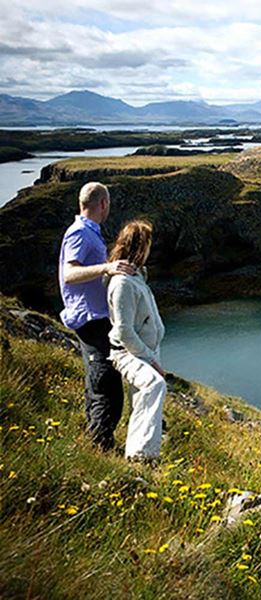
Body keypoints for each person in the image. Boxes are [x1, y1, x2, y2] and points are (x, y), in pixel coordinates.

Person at [58, 182, 134, 451]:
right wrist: (107, 268)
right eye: (108, 204)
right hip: (90, 319)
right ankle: (101, 447)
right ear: (103, 204)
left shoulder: (90, 231)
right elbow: (69, 273)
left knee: (100, 383)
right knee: (107, 387)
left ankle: (96, 441)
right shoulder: (79, 233)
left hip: (95, 318)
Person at [105, 220, 166, 462]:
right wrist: (151, 360)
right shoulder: (122, 283)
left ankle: (137, 455)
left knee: (140, 400)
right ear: (140, 246)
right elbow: (124, 330)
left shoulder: (136, 274)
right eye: (148, 243)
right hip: (129, 352)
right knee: (154, 385)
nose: (151, 249)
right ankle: (142, 456)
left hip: (146, 349)